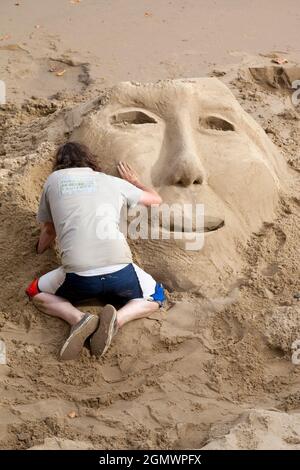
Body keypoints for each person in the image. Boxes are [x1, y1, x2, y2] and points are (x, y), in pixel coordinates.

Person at [26, 142, 165, 361]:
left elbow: (49, 230)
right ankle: (118, 319)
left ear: (58, 164)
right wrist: (134, 182)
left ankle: (78, 319)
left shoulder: (53, 181)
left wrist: (38, 250)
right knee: (156, 295)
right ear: (90, 160)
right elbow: (155, 200)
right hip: (122, 272)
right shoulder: (112, 181)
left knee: (35, 291)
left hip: (79, 278)